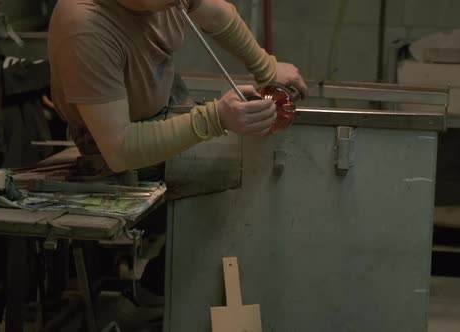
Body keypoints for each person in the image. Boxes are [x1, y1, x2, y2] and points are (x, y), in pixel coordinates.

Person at [47, 0, 308, 305]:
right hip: (117, 146)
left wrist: (267, 68)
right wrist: (215, 118)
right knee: (232, 180)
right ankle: (162, 292)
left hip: (164, 97)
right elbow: (119, 148)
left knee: (249, 162)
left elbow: (216, 13)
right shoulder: (84, 27)